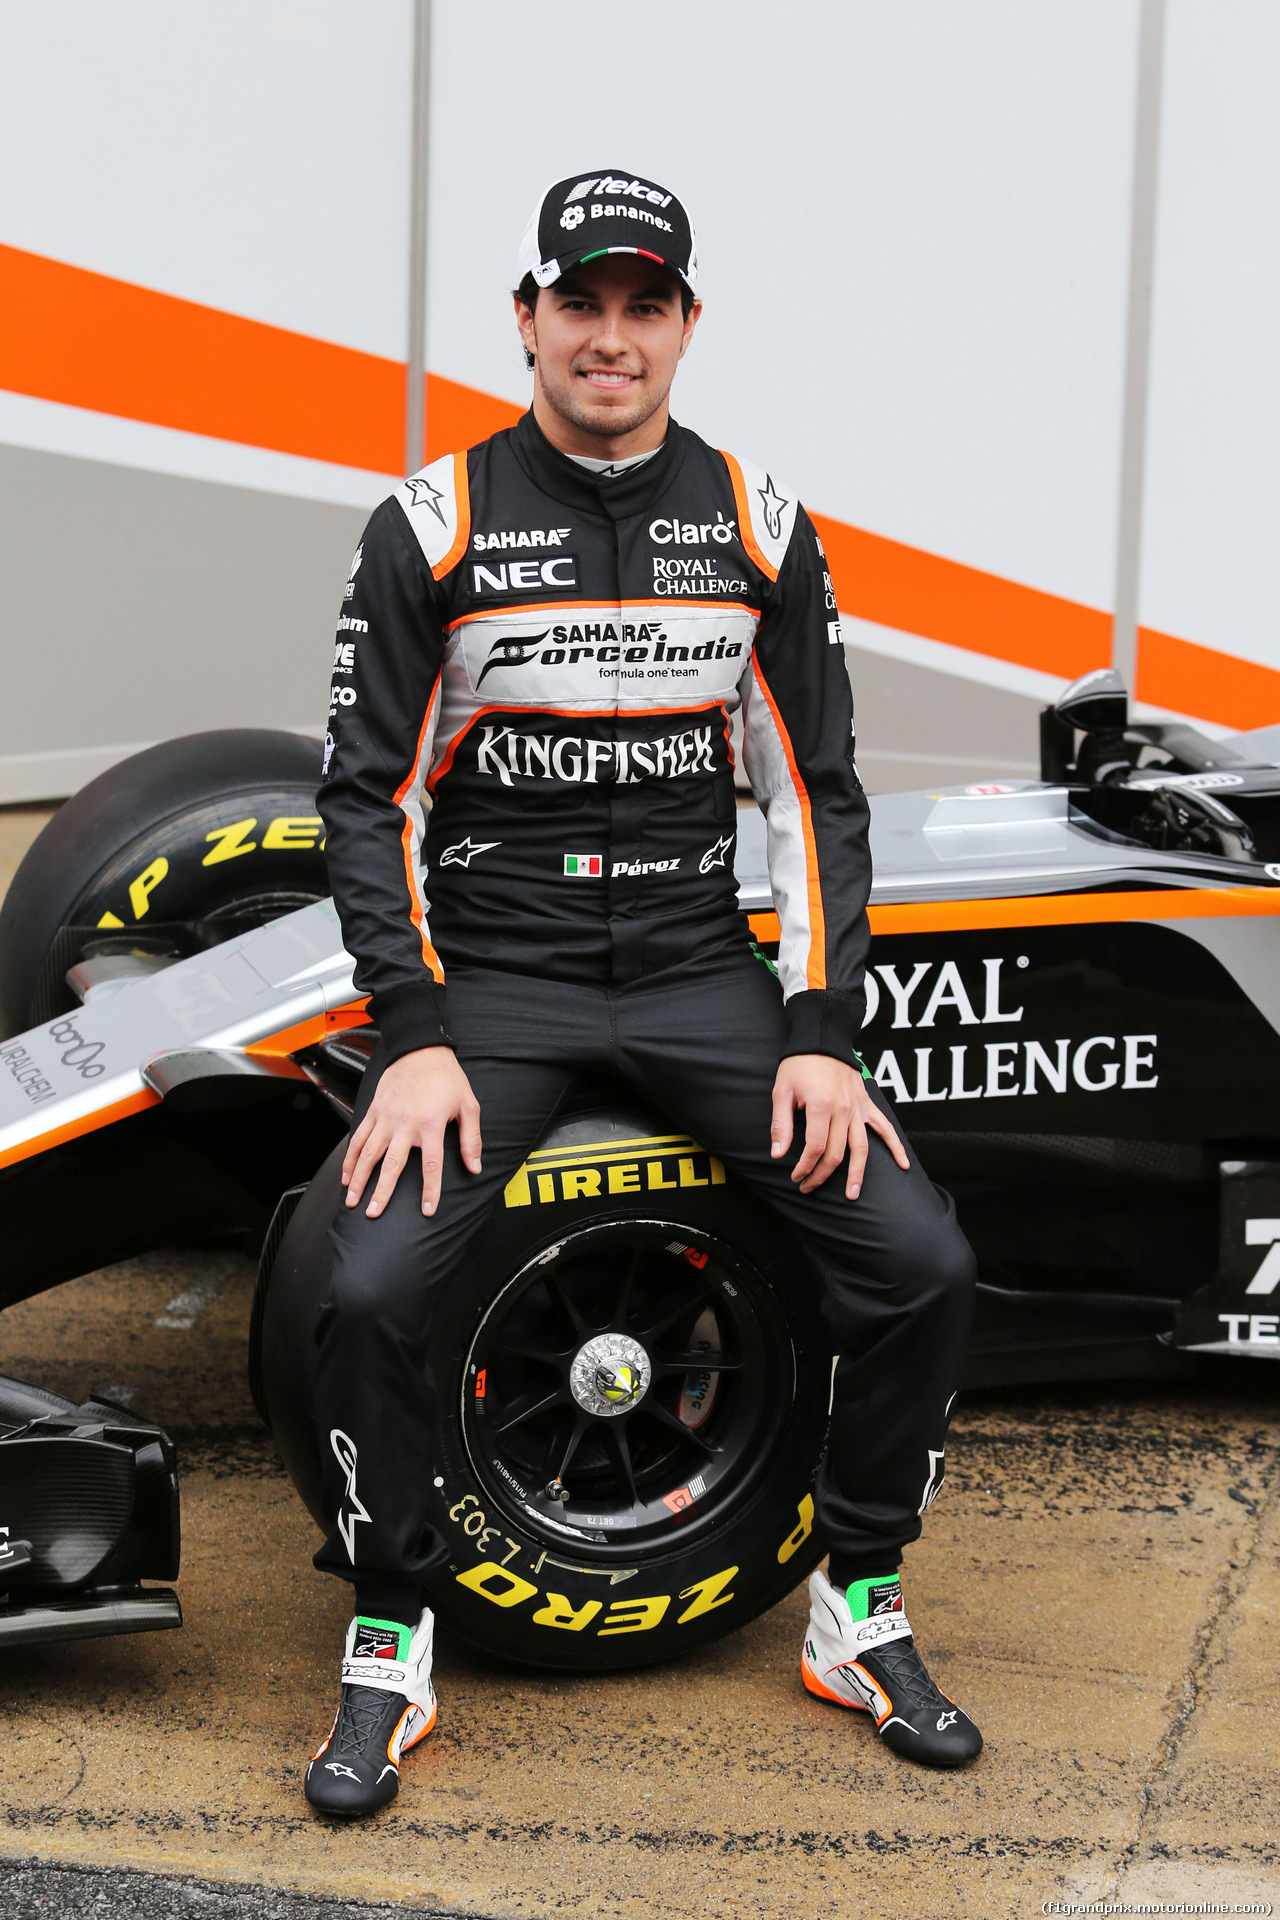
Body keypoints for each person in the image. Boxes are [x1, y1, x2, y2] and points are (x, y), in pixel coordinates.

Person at [304, 168, 981, 1817]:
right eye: (581, 305)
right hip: (502, 979)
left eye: (645, 306)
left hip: (695, 971)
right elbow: (363, 796)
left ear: (686, 326)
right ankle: (391, 1646)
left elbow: (814, 795)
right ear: (526, 319)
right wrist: (413, 1036)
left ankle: (859, 1603)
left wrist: (820, 1033)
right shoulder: (433, 522)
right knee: (375, 1280)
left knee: (921, 1258)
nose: (612, 338)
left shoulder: (757, 523)